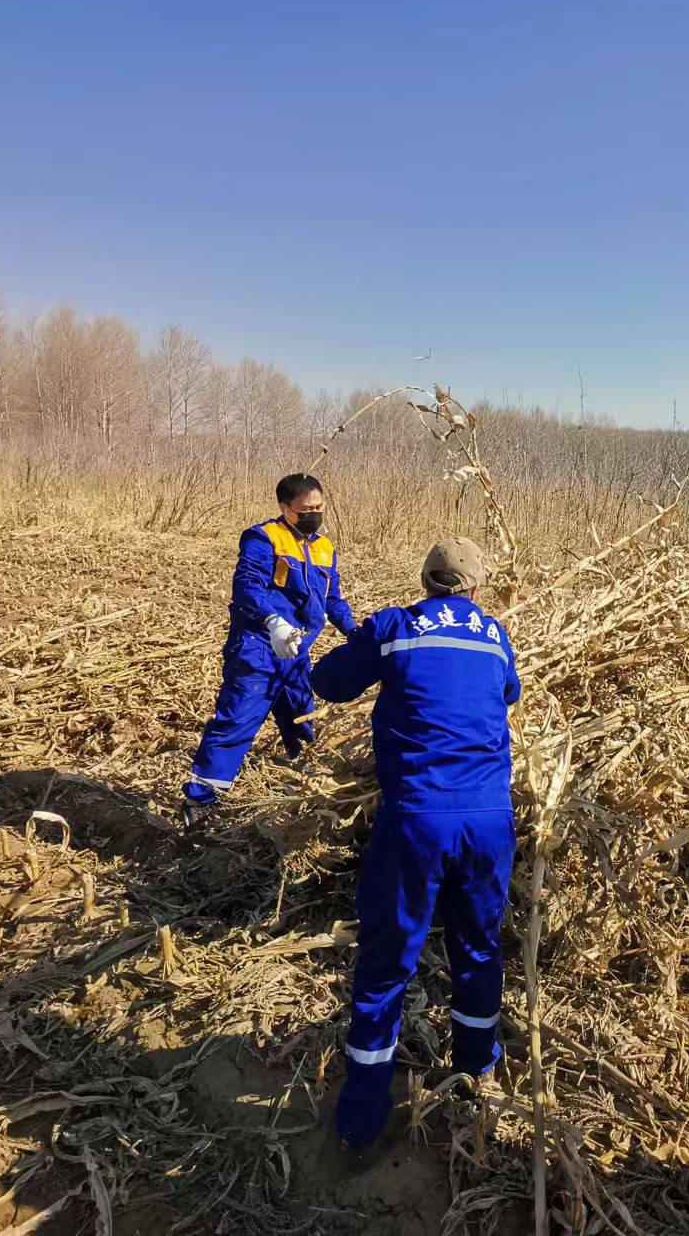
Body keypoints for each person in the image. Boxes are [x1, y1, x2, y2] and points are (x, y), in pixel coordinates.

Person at [311, 537, 521, 1150]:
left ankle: (360, 1119)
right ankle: (475, 1071)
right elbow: (508, 695)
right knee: (479, 948)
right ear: (477, 589)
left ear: (425, 581)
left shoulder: (396, 628)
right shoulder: (495, 635)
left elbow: (330, 683)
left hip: (417, 819)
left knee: (386, 963)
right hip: (488, 819)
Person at [181, 473, 355, 826]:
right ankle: (200, 803)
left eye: (319, 508)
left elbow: (331, 600)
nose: (314, 514)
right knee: (237, 720)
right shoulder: (264, 539)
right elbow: (247, 586)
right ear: (285, 508)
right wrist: (273, 621)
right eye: (306, 509)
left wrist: (357, 632)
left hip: (296, 652)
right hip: (258, 649)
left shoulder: (324, 549)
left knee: (301, 717)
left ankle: (300, 775)